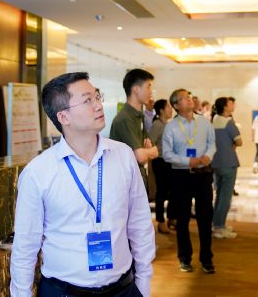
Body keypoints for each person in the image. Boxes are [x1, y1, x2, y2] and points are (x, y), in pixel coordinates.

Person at [10, 72, 155, 297]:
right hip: (63, 292)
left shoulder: (123, 156)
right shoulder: (38, 172)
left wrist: (143, 282)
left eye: (97, 97)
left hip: (123, 289)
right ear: (63, 117)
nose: (98, 105)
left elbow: (140, 223)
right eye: (87, 100)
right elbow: (25, 247)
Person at [162, 89, 216, 274]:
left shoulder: (204, 122)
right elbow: (167, 154)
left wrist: (208, 156)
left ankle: (207, 259)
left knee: (205, 217)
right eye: (184, 98)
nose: (189, 99)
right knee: (183, 219)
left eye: (189, 96)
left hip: (203, 174)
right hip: (181, 176)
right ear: (176, 105)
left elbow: (212, 144)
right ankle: (184, 258)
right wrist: (188, 161)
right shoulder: (171, 127)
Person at [110, 69, 159, 189]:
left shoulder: (138, 116)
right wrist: (146, 152)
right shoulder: (125, 118)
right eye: (148, 86)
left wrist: (145, 152)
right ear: (136, 89)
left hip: (137, 180)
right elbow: (140, 157)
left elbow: (155, 151)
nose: (151, 92)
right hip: (126, 184)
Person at [211, 97, 242, 239]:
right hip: (228, 162)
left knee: (219, 195)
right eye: (230, 103)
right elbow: (239, 141)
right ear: (224, 107)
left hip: (216, 162)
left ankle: (217, 224)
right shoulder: (228, 122)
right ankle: (219, 227)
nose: (233, 105)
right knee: (225, 196)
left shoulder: (214, 120)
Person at [148, 99, 176, 234]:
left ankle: (171, 218)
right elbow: (150, 143)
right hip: (160, 162)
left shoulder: (169, 124)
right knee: (161, 192)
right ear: (161, 110)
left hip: (170, 162)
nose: (171, 109)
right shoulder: (157, 125)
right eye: (168, 107)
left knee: (173, 191)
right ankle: (160, 221)